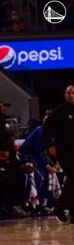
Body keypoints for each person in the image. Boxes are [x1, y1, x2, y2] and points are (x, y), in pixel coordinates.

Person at [43, 85, 74, 223]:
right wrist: (51, 145)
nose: (72, 95)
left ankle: (71, 212)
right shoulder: (59, 111)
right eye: (69, 93)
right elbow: (46, 127)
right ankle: (60, 207)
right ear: (65, 95)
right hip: (64, 151)